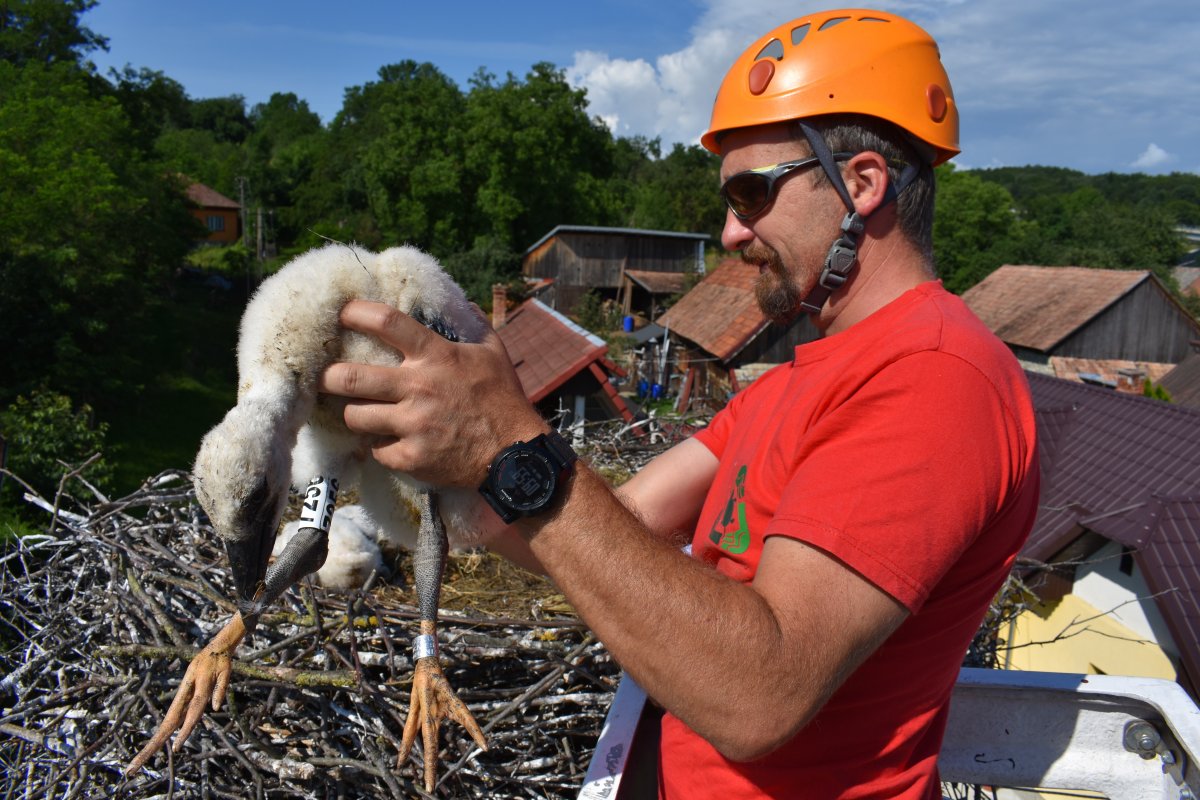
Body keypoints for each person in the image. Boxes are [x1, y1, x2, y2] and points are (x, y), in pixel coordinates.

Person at [318, 8, 1039, 799]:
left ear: (861, 186)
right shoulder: (798, 384)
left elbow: (760, 693)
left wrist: (508, 445)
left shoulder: (935, 377)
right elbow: (612, 523)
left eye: (752, 193)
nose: (731, 232)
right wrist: (444, 459)